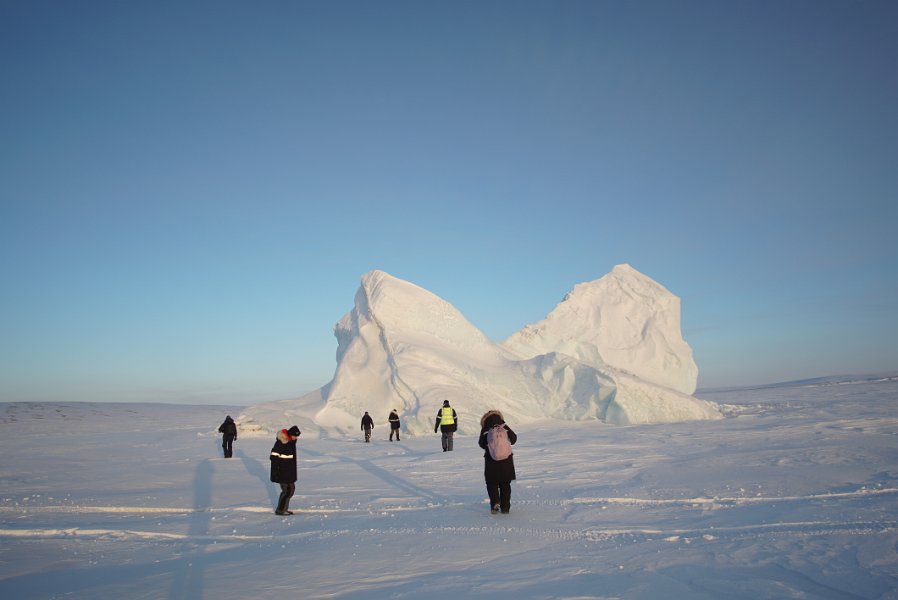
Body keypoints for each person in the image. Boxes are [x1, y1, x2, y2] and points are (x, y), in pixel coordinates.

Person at [478, 410, 517, 514]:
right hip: (506, 461)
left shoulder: (486, 427)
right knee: (505, 484)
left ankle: (495, 502)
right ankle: (505, 508)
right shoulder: (504, 426)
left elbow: (481, 443)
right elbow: (513, 439)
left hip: (491, 461)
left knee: (492, 483)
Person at [270, 425, 300, 515]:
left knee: (291, 490)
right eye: (295, 436)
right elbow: (273, 457)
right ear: (290, 434)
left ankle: (284, 508)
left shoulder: (291, 442)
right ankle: (280, 510)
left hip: (289, 472)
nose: (296, 438)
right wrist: (276, 471)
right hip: (282, 472)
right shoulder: (281, 442)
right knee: (286, 491)